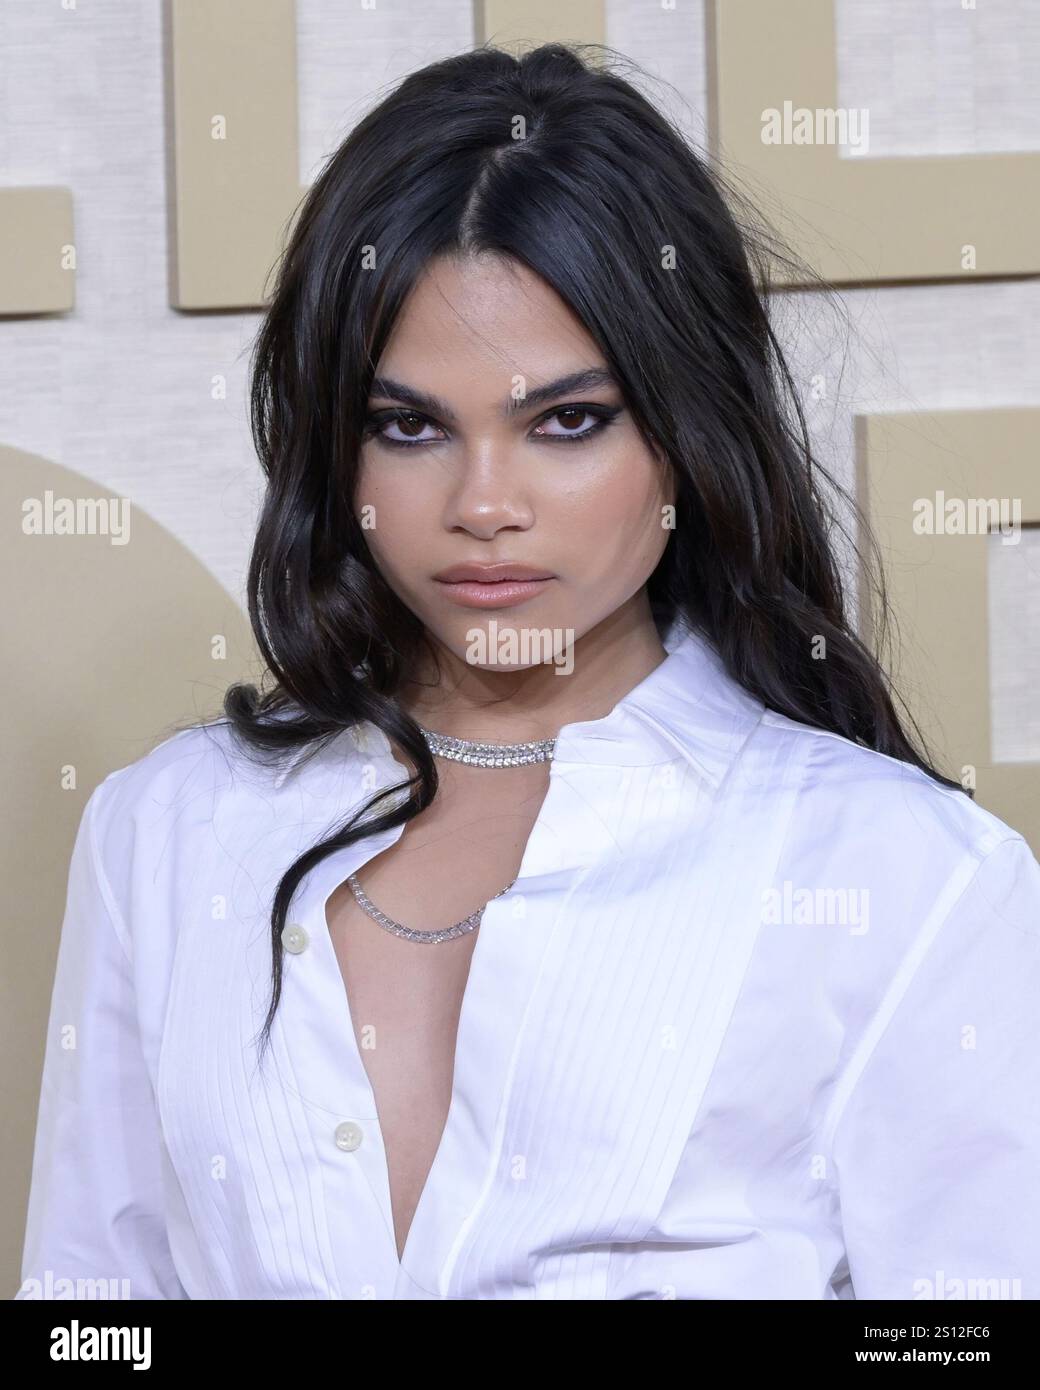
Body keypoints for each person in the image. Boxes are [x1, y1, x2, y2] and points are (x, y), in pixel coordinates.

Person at [17, 41, 1040, 1302]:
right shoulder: (165, 833)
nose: (482, 504)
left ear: (684, 429)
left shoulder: (907, 880)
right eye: (410, 427)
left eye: (565, 421)